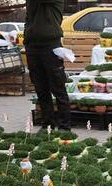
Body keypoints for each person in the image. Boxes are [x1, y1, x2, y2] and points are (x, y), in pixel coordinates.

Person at [24, 0, 70, 131]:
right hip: (32, 46)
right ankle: (47, 125)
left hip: (51, 45)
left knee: (58, 88)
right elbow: (29, 17)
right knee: (41, 89)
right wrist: (27, 34)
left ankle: (64, 127)